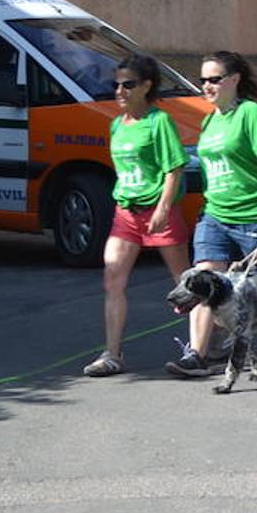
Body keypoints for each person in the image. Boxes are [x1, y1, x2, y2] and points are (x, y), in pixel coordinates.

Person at [166, 51, 257, 378]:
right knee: (202, 280)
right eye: (203, 79)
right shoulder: (210, 120)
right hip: (214, 215)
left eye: (214, 79)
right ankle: (198, 355)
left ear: (234, 80)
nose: (207, 85)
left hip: (251, 216)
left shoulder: (250, 114)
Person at [83, 55, 192, 377]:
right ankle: (112, 354)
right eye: (115, 85)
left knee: (186, 284)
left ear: (146, 86)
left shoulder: (159, 122)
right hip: (126, 213)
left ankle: (212, 338)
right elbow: (125, 170)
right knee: (113, 278)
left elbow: (174, 168)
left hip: (159, 212)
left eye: (128, 84)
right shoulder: (117, 124)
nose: (120, 90)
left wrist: (161, 208)